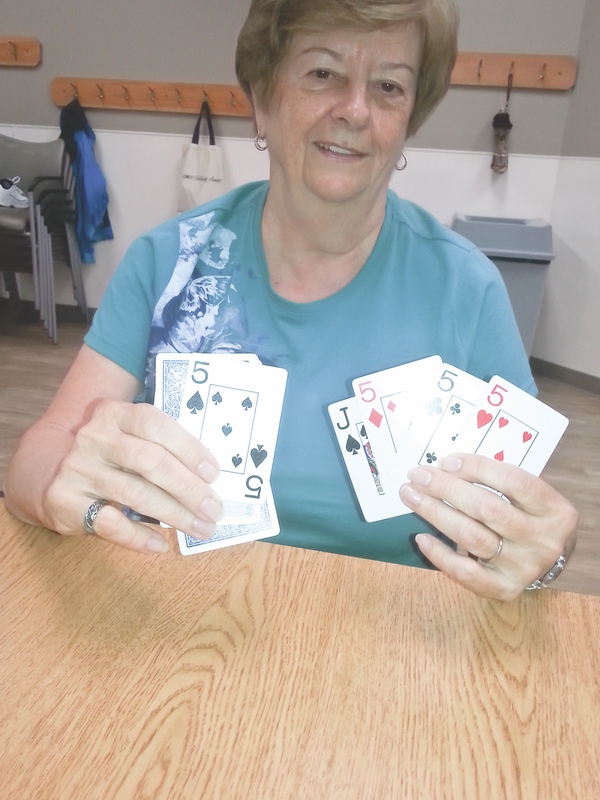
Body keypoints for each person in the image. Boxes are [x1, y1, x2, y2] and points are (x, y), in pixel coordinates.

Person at [3, 0, 577, 601]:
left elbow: (535, 521)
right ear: (262, 98)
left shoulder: (469, 290)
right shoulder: (169, 261)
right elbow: (35, 461)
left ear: (409, 119)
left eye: (387, 87)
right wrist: (60, 486)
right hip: (178, 623)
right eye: (323, 73)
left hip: (395, 648)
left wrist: (545, 554)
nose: (354, 110)